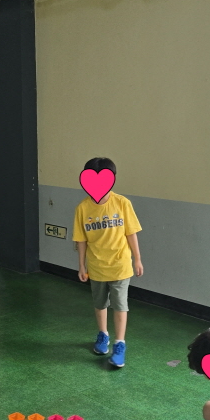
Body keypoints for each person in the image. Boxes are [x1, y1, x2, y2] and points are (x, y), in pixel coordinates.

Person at [72, 157, 143, 368]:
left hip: (120, 265)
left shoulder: (122, 203)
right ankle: (103, 335)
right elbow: (81, 240)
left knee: (120, 305)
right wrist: (82, 265)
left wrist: (137, 259)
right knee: (100, 303)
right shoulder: (83, 208)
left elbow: (131, 233)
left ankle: (120, 344)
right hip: (96, 266)